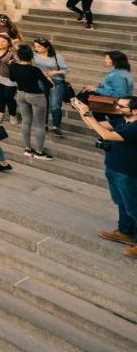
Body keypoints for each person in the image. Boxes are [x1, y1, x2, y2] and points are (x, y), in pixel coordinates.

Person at [71, 94, 137, 258]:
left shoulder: (135, 128)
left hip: (128, 173)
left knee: (134, 209)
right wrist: (81, 110)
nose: (117, 108)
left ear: (135, 110)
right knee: (121, 203)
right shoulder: (121, 120)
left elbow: (106, 135)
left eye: (122, 106)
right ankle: (125, 232)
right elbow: (96, 126)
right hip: (113, 168)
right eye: (118, 105)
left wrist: (88, 114)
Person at [9, 44, 53, 159]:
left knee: (26, 121)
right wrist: (48, 78)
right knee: (39, 125)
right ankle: (39, 152)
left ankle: (27, 148)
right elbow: (49, 85)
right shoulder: (35, 70)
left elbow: (12, 79)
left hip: (21, 95)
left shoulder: (13, 67)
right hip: (36, 96)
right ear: (31, 56)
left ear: (18, 56)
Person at [31, 38, 70, 136]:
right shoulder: (34, 55)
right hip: (41, 81)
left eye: (39, 46)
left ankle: (56, 126)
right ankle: (44, 124)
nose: (36, 48)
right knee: (43, 104)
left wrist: (55, 72)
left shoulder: (57, 57)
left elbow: (66, 70)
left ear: (47, 47)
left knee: (55, 105)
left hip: (57, 82)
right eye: (35, 46)